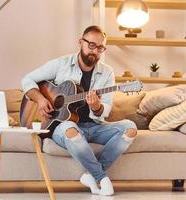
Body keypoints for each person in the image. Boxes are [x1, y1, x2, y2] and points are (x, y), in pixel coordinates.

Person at [22, 25, 137, 196]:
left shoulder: (107, 73)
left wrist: (96, 107)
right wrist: (40, 99)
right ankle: (102, 178)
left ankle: (90, 176)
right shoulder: (61, 64)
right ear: (80, 42)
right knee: (71, 130)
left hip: (95, 126)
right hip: (63, 126)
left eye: (100, 48)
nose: (95, 51)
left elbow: (105, 109)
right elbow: (27, 79)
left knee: (130, 128)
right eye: (91, 45)